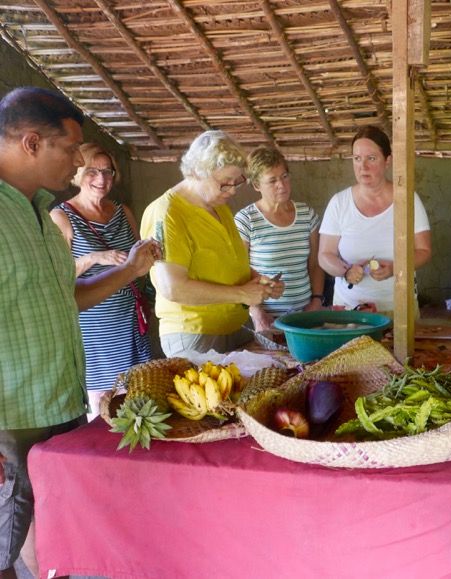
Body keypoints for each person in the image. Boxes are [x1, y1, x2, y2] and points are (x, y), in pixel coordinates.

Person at [0, 86, 160, 579]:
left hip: (59, 397)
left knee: (55, 519)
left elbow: (64, 299)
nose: (76, 166)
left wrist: (130, 271)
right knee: (7, 532)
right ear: (31, 142)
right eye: (70, 151)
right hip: (12, 412)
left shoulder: (41, 216)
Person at [140, 131, 285, 357]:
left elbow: (228, 262)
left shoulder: (218, 206)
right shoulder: (168, 213)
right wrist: (242, 295)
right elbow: (173, 288)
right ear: (197, 172)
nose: (233, 190)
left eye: (237, 181)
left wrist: (258, 281)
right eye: (225, 183)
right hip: (194, 334)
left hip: (234, 326)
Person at [50, 143, 153, 418]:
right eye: (92, 171)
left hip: (130, 322)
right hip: (95, 331)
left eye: (108, 171)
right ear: (77, 173)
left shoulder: (123, 211)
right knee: (104, 407)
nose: (101, 179)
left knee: (139, 397)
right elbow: (56, 277)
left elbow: (136, 259)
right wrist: (94, 258)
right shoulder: (61, 216)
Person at [318, 126, 432, 315]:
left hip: (399, 309)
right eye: (357, 158)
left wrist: (395, 267)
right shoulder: (339, 203)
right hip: (349, 310)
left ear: (388, 161)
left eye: (371, 158)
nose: (363, 167)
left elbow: (424, 251)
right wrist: (346, 271)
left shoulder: (408, 200)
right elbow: (324, 255)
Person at [235, 146, 324, 331]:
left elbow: (315, 264)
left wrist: (316, 300)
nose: (282, 185)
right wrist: (256, 312)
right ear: (256, 185)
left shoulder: (307, 215)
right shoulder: (246, 220)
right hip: (266, 319)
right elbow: (238, 271)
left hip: (304, 316)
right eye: (272, 181)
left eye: (284, 176)